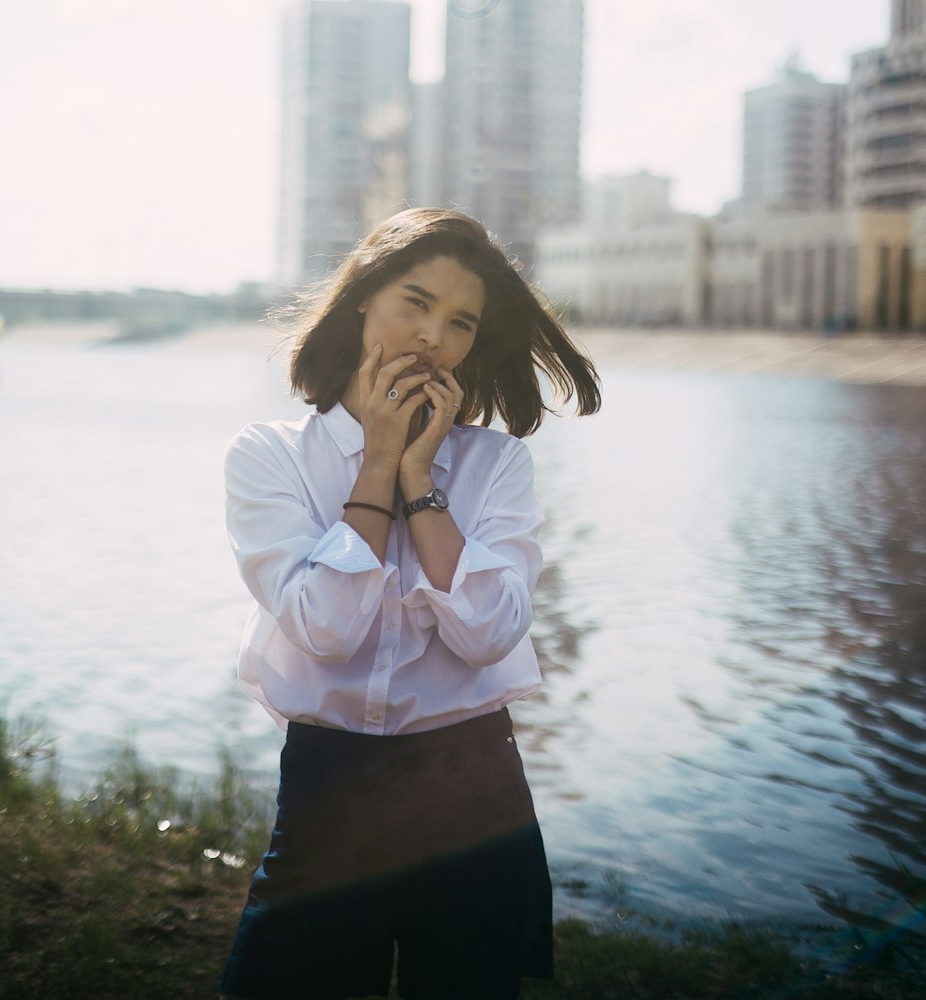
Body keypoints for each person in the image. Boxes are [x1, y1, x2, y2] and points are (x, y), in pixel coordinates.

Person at [220, 207, 601, 1000]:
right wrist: (379, 464)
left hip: (472, 787)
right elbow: (327, 627)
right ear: (364, 299)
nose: (433, 336)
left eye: (459, 322)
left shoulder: (495, 465)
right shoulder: (269, 458)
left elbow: (491, 632)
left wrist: (420, 481)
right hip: (331, 786)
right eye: (415, 303)